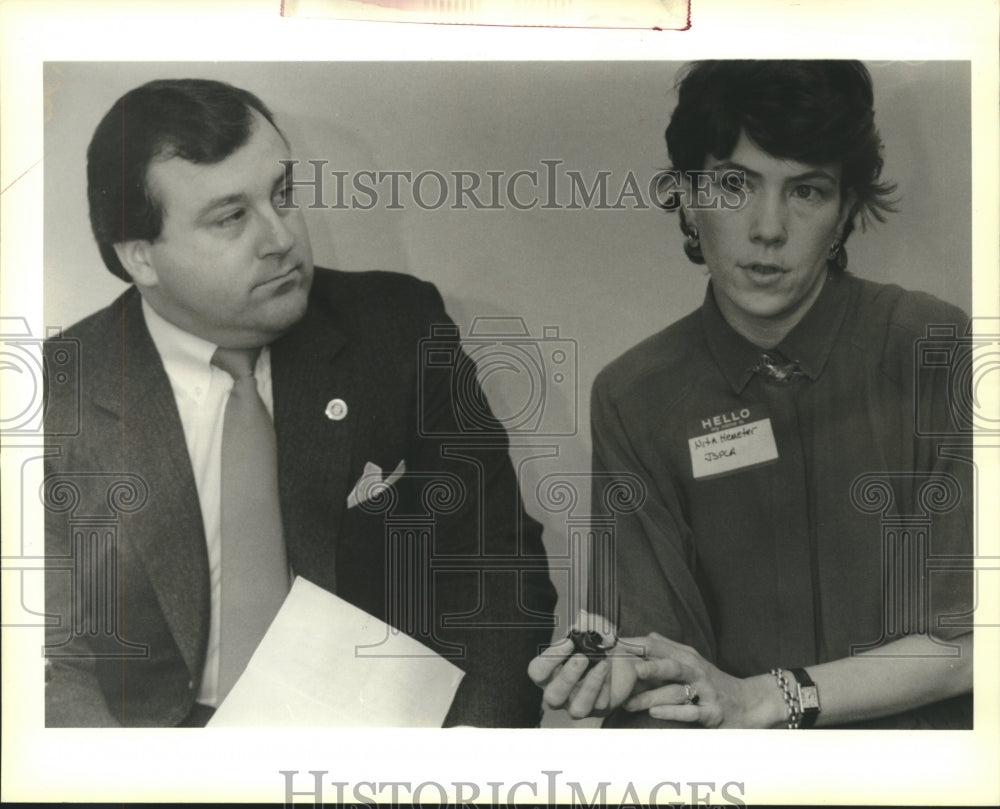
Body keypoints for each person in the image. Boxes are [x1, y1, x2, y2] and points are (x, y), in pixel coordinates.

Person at [43, 78, 556, 728]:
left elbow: (496, 570)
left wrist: (464, 763)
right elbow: (56, 658)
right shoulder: (60, 393)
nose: (280, 236)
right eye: (231, 217)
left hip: (389, 747)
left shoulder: (398, 331)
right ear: (140, 256)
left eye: (283, 194)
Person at [528, 60, 973, 729]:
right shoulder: (634, 396)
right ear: (687, 194)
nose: (769, 228)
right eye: (735, 184)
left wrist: (770, 696)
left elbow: (971, 644)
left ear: (847, 207)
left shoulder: (931, 347)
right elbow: (668, 666)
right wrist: (620, 662)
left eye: (807, 191)